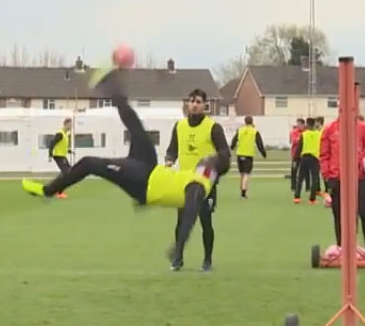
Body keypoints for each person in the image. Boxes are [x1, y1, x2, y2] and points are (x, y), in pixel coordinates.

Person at [21, 68, 229, 265]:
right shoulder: (189, 149)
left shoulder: (198, 187)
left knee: (89, 163)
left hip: (144, 183)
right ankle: (110, 82)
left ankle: (48, 191)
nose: (205, 159)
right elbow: (176, 153)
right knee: (134, 123)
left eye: (208, 160)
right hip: (151, 168)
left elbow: (190, 219)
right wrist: (169, 161)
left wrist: (178, 245)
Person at [164, 88, 230, 270]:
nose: (194, 104)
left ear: (205, 106)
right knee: (181, 222)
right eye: (191, 101)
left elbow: (224, 153)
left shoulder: (213, 128)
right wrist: (169, 161)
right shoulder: (179, 126)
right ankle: (178, 259)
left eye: (198, 101)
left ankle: (207, 260)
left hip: (205, 184)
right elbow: (172, 149)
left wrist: (214, 164)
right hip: (184, 183)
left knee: (205, 222)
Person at [320, 108, 365, 249]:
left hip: (359, 178)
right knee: (340, 216)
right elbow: (324, 154)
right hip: (337, 178)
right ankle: (342, 247)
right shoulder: (330, 129)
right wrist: (327, 176)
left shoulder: (362, 128)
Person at [230, 116, 267, 198]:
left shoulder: (240, 130)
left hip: (240, 154)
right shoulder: (254, 131)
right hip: (248, 155)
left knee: (242, 173)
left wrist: (232, 147)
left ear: (245, 122)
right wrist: (263, 153)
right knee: (247, 174)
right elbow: (259, 144)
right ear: (252, 122)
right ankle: (243, 193)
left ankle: (242, 191)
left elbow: (234, 140)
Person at [293, 118, 321, 204]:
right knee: (315, 179)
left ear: (307, 125)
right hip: (315, 158)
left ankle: (297, 197)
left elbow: (299, 148)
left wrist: (295, 159)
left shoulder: (304, 134)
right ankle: (312, 199)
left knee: (300, 178)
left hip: (305, 157)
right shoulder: (319, 134)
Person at [46, 118, 74, 199]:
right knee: (66, 173)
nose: (71, 126)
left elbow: (62, 146)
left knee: (67, 173)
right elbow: (52, 143)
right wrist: (50, 155)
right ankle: (59, 192)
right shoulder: (60, 134)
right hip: (58, 156)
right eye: (70, 124)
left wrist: (69, 151)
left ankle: (50, 187)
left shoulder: (65, 134)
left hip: (62, 156)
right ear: (66, 124)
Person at [288, 118, 305, 189]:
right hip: (295, 154)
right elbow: (294, 141)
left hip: (304, 154)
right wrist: (300, 139)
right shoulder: (293, 132)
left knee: (304, 171)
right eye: (297, 124)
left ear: (303, 124)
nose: (298, 126)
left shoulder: (306, 132)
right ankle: (293, 186)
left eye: (299, 124)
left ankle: (303, 185)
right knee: (294, 170)